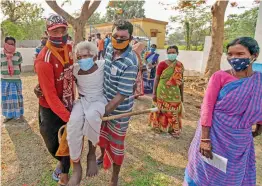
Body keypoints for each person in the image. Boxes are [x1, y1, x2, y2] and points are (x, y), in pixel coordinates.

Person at [184, 37, 262, 186]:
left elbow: (258, 104)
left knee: (232, 175)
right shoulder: (219, 77)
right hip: (214, 134)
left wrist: (259, 126)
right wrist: (205, 139)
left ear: (254, 55)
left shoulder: (259, 81)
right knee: (204, 170)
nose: (233, 58)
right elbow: (207, 107)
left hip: (239, 140)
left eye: (240, 54)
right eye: (230, 54)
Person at [96, 19, 138, 186]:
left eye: (123, 37)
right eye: (115, 36)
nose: (118, 40)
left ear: (130, 38)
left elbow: (121, 95)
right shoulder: (108, 49)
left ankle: (114, 177)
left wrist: (103, 112)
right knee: (102, 136)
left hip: (119, 112)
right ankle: (101, 155)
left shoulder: (131, 62)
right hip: (103, 104)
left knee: (117, 145)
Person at [34, 14, 74, 186]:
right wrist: (69, 118)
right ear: (47, 33)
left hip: (69, 104)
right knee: (51, 143)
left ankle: (64, 174)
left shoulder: (70, 49)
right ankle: (61, 162)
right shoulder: (43, 59)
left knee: (67, 141)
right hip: (49, 108)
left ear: (67, 30)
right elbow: (50, 97)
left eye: (62, 30)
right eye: (54, 31)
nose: (59, 34)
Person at [66, 41, 106, 186]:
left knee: (92, 117)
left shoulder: (103, 65)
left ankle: (91, 155)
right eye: (81, 56)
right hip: (81, 101)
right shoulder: (75, 69)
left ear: (94, 56)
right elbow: (61, 80)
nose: (84, 59)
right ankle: (76, 166)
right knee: (73, 123)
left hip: (98, 100)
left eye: (88, 55)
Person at [149, 45, 184, 138]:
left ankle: (174, 129)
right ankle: (159, 127)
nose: (171, 54)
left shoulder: (180, 65)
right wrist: (154, 93)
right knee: (160, 109)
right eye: (169, 53)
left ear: (177, 53)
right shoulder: (162, 64)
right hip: (162, 91)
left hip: (174, 93)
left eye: (173, 52)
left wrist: (182, 95)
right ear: (167, 53)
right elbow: (156, 79)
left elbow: (181, 81)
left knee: (174, 110)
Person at [1, 36, 24, 123]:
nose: (11, 46)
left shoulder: (18, 54)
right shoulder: (1, 54)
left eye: (13, 44)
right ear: (5, 44)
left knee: (18, 98)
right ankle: (8, 115)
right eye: (9, 44)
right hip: (5, 81)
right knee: (6, 99)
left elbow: (19, 66)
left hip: (16, 80)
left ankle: (19, 114)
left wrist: (18, 73)